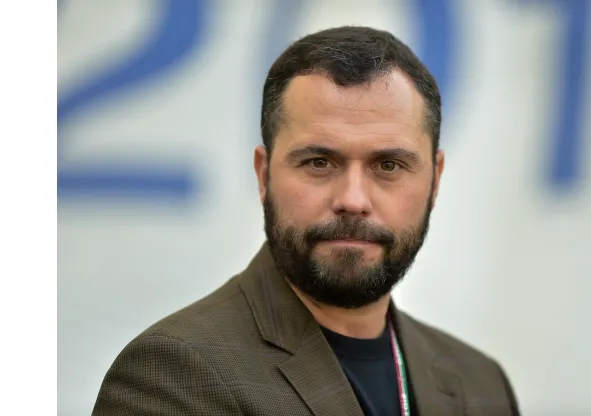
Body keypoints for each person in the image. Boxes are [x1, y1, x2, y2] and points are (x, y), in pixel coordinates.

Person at [92, 26, 519, 416]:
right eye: (319, 162)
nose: (353, 200)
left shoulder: (481, 385)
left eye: (388, 165)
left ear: (435, 179)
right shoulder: (174, 375)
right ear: (264, 175)